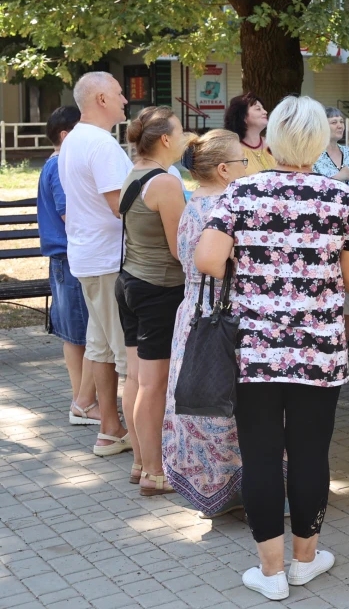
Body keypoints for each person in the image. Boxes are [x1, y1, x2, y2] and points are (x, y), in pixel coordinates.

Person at [195, 96, 349, 601]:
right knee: (312, 454)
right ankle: (305, 561)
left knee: (262, 456)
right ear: (318, 142)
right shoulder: (338, 198)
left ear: (270, 141)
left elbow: (208, 261)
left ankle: (269, 572)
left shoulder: (241, 192)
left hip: (254, 350)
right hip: (319, 351)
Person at [163, 130, 250, 518]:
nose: (247, 167)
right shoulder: (225, 208)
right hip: (224, 317)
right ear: (223, 169)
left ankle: (211, 492)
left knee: (200, 402)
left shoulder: (192, 203)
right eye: (243, 162)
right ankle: (245, 491)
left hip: (194, 316)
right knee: (229, 405)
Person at [58, 72, 132, 457]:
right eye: (119, 94)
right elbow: (121, 206)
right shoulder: (100, 143)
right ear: (101, 98)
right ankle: (145, 447)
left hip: (89, 257)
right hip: (108, 259)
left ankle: (110, 430)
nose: (125, 100)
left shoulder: (73, 140)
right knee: (128, 356)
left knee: (101, 349)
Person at [115, 107, 188, 497]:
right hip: (158, 289)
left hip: (129, 282)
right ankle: (156, 473)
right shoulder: (165, 183)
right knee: (154, 385)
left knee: (137, 379)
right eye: (180, 131)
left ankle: (140, 463)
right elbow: (180, 250)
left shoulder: (135, 172)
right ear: (164, 139)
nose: (185, 136)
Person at [37, 106, 99, 426]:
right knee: (87, 334)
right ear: (66, 135)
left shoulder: (53, 162)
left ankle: (82, 400)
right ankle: (84, 403)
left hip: (62, 260)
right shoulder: (62, 164)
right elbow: (68, 214)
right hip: (71, 257)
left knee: (75, 336)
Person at [315, 107, 349, 359]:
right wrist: (340, 177)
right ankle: (324, 337)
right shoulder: (312, 154)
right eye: (333, 121)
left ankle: (346, 340)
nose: (339, 125)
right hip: (324, 232)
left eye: (341, 122)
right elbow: (312, 190)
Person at [224, 93, 276, 175]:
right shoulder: (231, 151)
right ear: (243, 117)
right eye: (258, 109)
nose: (265, 112)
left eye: (263, 108)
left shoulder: (275, 145)